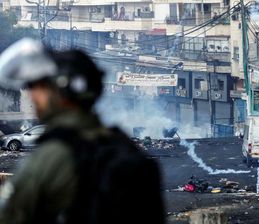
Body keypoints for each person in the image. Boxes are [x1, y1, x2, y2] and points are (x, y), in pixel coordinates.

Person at [0, 38, 165, 224]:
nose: (33, 94)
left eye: (37, 86)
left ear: (61, 90)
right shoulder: (126, 148)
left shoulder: (51, 157)